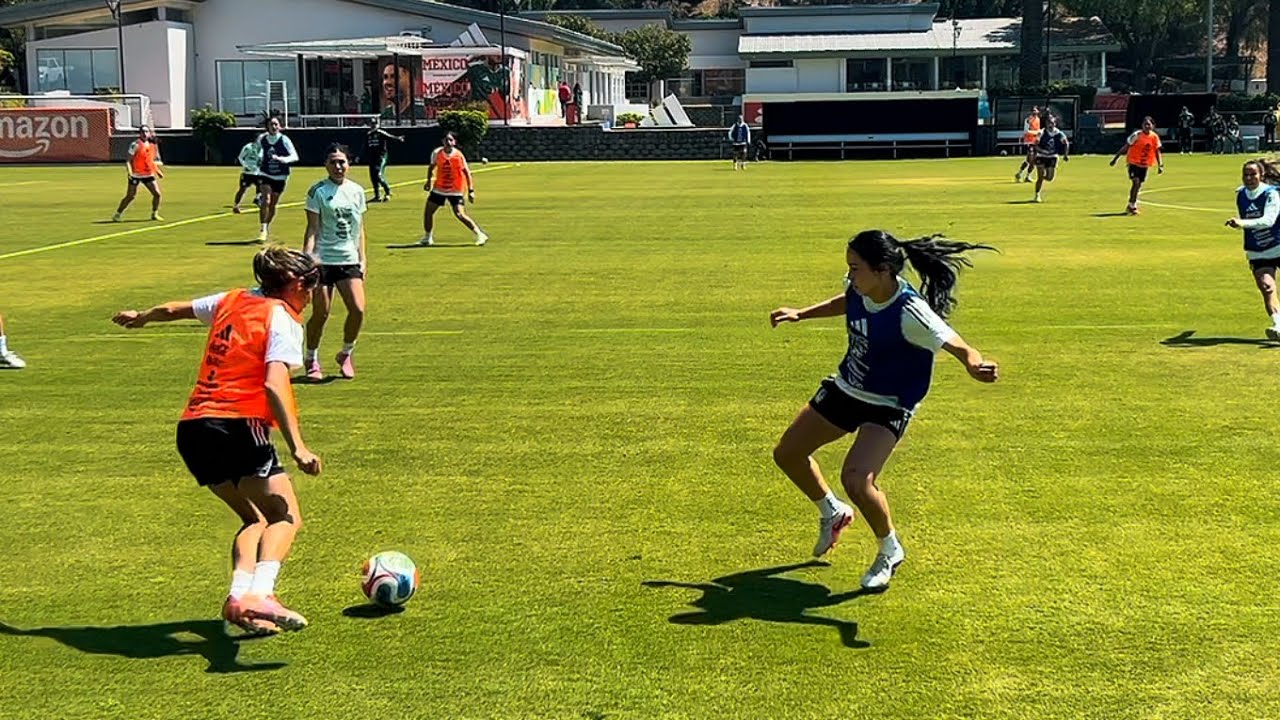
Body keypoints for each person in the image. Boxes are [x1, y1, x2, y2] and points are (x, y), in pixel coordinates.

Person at [769, 230, 999, 592]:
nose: (849, 276)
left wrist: (975, 365)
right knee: (788, 453)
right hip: (848, 387)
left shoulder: (912, 313)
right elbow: (847, 301)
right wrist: (801, 314)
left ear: (882, 271)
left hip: (889, 404)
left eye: (855, 268)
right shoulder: (862, 289)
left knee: (857, 479)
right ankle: (833, 512)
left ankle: (889, 550)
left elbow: (956, 343)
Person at [110, 246, 324, 634]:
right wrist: (299, 447)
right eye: (310, 286)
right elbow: (274, 383)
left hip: (194, 428)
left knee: (252, 519)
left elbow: (175, 309)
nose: (311, 294)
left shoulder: (232, 299)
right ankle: (262, 594)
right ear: (293, 284)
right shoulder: (282, 318)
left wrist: (142, 318)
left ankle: (237, 599)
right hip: (238, 424)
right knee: (285, 517)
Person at [302, 144, 368, 381]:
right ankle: (311, 358)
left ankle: (346, 353)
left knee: (358, 310)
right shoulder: (317, 191)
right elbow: (312, 229)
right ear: (326, 165)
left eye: (342, 162)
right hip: (323, 260)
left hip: (348, 259)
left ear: (348, 164)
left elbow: (359, 229)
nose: (338, 166)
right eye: (333, 162)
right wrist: (308, 261)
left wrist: (363, 258)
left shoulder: (358, 191)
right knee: (321, 313)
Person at [1225, 159, 1280, 340]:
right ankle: (1278, 325)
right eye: (1245, 175)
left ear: (1261, 175)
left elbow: (1269, 220)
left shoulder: (1272, 194)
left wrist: (1242, 223)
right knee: (1266, 287)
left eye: (1253, 174)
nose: (1249, 178)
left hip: (1278, 244)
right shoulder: (1240, 194)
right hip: (1258, 250)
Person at [419, 131, 488, 247]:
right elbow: (431, 167)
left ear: (454, 142)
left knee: (459, 214)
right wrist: (428, 181)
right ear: (443, 142)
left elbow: (467, 172)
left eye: (451, 140)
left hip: (455, 189)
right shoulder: (436, 153)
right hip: (439, 188)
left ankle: (480, 234)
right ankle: (427, 238)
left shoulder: (458, 155)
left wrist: (471, 191)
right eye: (446, 140)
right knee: (428, 212)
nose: (448, 142)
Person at [255, 116, 299, 243]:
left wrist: (282, 159)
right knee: (266, 200)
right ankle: (262, 229)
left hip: (280, 176)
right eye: (271, 124)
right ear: (267, 126)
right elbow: (256, 152)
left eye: (276, 124)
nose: (273, 127)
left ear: (279, 126)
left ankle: (267, 226)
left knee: (273, 204)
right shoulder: (262, 139)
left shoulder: (284, 140)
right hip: (265, 174)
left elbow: (294, 156)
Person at [1109, 116, 1164, 215]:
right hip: (1133, 163)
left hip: (1144, 165)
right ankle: (1132, 206)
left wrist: (1160, 164)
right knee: (1136, 182)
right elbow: (1126, 147)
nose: (1147, 126)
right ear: (1142, 125)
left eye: (1149, 124)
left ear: (1152, 125)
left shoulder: (1154, 137)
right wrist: (1115, 158)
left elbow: (1157, 151)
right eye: (1145, 124)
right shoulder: (1137, 135)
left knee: (1138, 185)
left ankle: (1131, 205)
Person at [112, 125, 164, 222]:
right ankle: (117, 214)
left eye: (146, 132)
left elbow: (150, 160)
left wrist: (157, 171)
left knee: (157, 194)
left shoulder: (151, 145)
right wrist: (130, 173)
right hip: (136, 174)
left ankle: (154, 213)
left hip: (148, 174)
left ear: (149, 133)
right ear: (139, 133)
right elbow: (128, 160)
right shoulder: (135, 145)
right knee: (130, 196)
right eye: (142, 132)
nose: (144, 134)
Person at [364, 117, 404, 203]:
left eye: (374, 124)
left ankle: (388, 192)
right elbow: (365, 147)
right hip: (372, 158)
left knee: (378, 174)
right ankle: (377, 196)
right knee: (373, 177)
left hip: (381, 157)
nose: (373, 126)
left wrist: (398, 138)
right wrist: (359, 156)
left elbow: (390, 137)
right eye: (372, 124)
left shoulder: (380, 133)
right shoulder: (368, 135)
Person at [1032, 114, 1070, 203]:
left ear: (1055, 123)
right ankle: (1037, 195)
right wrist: (1042, 151)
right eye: (1048, 123)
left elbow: (1066, 143)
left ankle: (1040, 179)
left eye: (1052, 123)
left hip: (1052, 157)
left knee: (1049, 178)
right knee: (1040, 177)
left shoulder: (1059, 133)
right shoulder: (1041, 132)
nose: (1050, 124)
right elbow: (1035, 145)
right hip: (1041, 156)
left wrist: (1065, 154)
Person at [233, 139, 262, 214]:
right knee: (242, 189)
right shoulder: (248, 147)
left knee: (263, 186)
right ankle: (236, 206)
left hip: (257, 172)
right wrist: (246, 166)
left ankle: (257, 199)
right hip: (247, 173)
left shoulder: (263, 149)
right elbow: (240, 157)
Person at [1014, 106, 1041, 183]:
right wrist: (1037, 133)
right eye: (1033, 110)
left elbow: (1038, 130)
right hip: (1029, 142)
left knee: (1030, 161)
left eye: (1035, 110)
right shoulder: (1028, 120)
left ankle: (1022, 174)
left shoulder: (1038, 120)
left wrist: (1039, 135)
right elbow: (1026, 131)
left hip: (1035, 142)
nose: (1034, 112)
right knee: (1032, 160)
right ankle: (1024, 175)